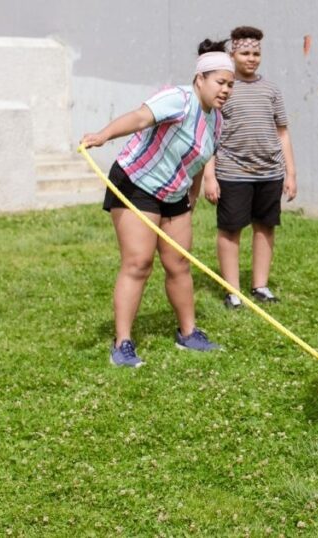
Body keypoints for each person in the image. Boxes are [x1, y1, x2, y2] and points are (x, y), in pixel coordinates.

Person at [80, 39, 234, 367]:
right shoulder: (178, 99)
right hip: (137, 183)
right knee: (138, 264)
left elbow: (197, 161)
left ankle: (188, 333)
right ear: (200, 79)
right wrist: (103, 135)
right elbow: (138, 118)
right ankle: (122, 343)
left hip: (174, 195)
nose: (226, 90)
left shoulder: (217, 121)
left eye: (230, 85)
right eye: (220, 82)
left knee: (179, 263)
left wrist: (191, 196)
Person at [203, 26, 297, 309]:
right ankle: (233, 291)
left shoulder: (271, 90)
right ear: (232, 54)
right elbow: (209, 133)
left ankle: (260, 285)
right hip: (232, 173)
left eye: (256, 53)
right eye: (245, 52)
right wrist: (209, 175)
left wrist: (290, 172)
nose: (252, 58)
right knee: (230, 229)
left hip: (269, 173)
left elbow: (282, 132)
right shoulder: (224, 90)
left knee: (265, 227)